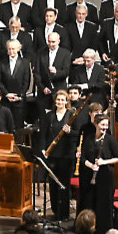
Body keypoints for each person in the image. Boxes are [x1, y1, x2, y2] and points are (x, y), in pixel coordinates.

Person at [82, 115, 118, 234]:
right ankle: (89, 229)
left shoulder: (110, 140)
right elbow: (83, 156)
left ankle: (104, 231)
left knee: (104, 204)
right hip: (90, 176)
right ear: (96, 124)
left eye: (106, 125)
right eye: (102, 124)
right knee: (90, 202)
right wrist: (90, 165)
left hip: (105, 177)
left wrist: (104, 162)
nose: (105, 127)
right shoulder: (88, 138)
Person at [42, 90, 76, 220]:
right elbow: (44, 133)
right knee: (53, 184)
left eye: (62, 100)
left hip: (66, 155)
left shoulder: (71, 114)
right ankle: (56, 212)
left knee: (64, 185)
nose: (60, 102)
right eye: (58, 100)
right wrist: (44, 150)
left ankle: (64, 214)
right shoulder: (50, 115)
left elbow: (77, 133)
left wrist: (70, 131)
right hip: (52, 155)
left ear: (66, 102)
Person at [36, 32, 72, 118]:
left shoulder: (65, 53)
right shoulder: (41, 52)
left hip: (59, 91)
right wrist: (42, 87)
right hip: (43, 92)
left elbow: (66, 72)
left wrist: (57, 72)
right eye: (49, 41)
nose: (50, 44)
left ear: (58, 41)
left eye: (53, 42)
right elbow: (37, 72)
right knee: (43, 120)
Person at [0, 39, 30, 129]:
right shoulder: (1, 62)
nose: (11, 51)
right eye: (9, 49)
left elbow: (26, 81)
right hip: (5, 101)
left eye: (13, 49)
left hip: (19, 101)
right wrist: (6, 94)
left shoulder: (25, 62)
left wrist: (19, 96)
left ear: (18, 49)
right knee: (5, 127)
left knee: (18, 127)